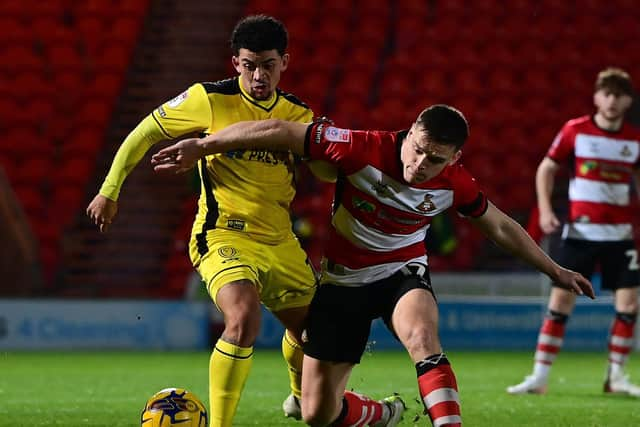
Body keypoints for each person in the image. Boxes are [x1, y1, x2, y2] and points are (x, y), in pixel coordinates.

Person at [151, 104, 595, 426]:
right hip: (343, 283)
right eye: (418, 149)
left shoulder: (455, 184)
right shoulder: (358, 148)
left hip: (401, 274)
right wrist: (202, 145)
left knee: (422, 336)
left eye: (435, 159)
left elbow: (500, 227)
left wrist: (555, 270)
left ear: (455, 159)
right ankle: (383, 413)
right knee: (317, 415)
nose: (420, 165)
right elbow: (279, 129)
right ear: (411, 132)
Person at [87, 15, 338, 426]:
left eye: (268, 65)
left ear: (285, 62)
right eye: (249, 64)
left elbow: (324, 171)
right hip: (224, 235)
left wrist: (335, 159)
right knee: (243, 319)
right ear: (235, 63)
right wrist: (109, 190)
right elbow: (144, 133)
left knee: (314, 333)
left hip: (280, 240)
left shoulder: (298, 113)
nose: (259, 76)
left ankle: (298, 398)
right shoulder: (208, 99)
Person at [507, 67, 640, 397]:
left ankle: (616, 376)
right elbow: (546, 168)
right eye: (606, 94)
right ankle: (539, 376)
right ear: (596, 97)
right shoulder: (575, 131)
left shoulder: (634, 140)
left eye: (618, 95)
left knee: (629, 305)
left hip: (621, 235)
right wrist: (547, 209)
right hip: (580, 233)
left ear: (627, 101)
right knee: (560, 303)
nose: (611, 101)